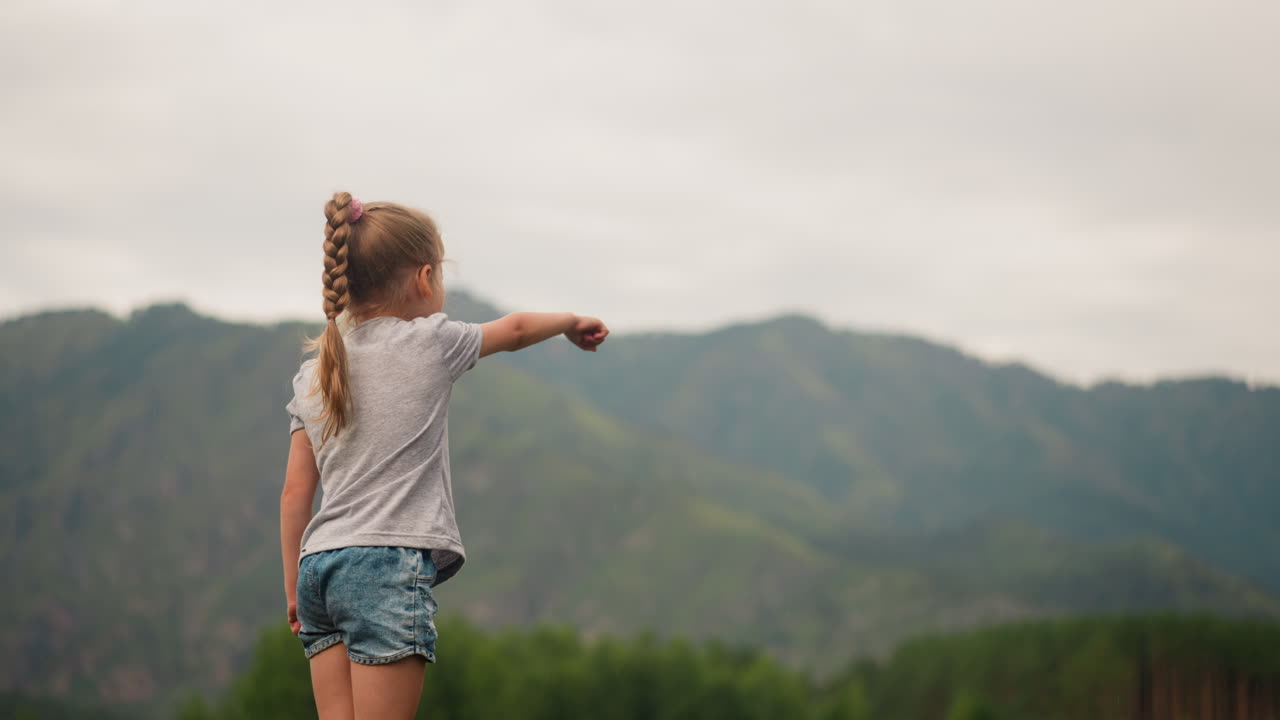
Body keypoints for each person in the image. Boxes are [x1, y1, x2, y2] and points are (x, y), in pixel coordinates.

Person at [280, 191, 608, 719]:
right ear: (425, 278)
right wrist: (570, 321)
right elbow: (515, 330)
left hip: (318, 568)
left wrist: (294, 588)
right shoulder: (430, 343)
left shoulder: (314, 373)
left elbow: (295, 494)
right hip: (384, 566)